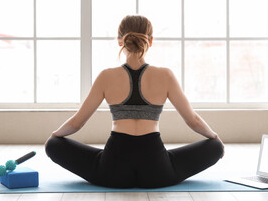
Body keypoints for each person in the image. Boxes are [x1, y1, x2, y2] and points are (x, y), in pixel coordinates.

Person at [45, 15, 224, 188]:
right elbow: (193, 120)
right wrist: (215, 138)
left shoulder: (106, 76)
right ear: (150, 40)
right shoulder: (165, 75)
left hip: (112, 171)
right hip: (157, 171)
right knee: (214, 147)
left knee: (53, 145)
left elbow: (78, 122)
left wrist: (54, 136)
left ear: (120, 40)